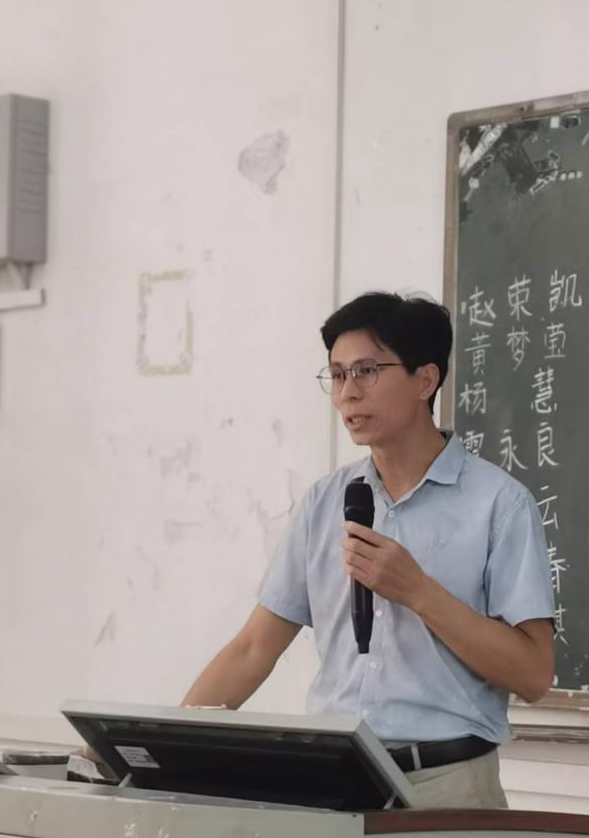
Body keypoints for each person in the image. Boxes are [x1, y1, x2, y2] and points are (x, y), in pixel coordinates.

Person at [183, 292, 555, 807]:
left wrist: (419, 592)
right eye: (337, 375)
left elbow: (533, 674)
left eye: (366, 371)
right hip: (333, 780)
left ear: (426, 380)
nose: (347, 394)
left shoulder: (499, 505)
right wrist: (156, 746)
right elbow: (253, 649)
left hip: (446, 786)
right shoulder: (324, 503)